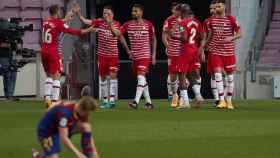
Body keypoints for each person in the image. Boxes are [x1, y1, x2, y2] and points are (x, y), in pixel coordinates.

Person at [74, 4, 130, 109]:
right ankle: (104, 100)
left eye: (108, 13)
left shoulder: (117, 24)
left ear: (112, 15)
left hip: (113, 55)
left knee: (113, 76)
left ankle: (112, 100)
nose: (105, 15)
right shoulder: (99, 22)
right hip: (102, 55)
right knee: (103, 78)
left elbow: (119, 36)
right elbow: (86, 22)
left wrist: (127, 49)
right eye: (104, 13)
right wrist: (78, 14)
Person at [41, 5, 94, 108]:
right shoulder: (59, 24)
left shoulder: (45, 22)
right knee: (56, 75)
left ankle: (47, 97)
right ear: (57, 12)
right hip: (53, 52)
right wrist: (89, 30)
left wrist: (71, 13)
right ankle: (54, 100)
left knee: (48, 76)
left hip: (43, 51)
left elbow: (61, 22)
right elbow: (72, 31)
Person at [32, 96, 100, 158]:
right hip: (46, 132)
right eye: (88, 112)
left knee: (86, 127)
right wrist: (78, 154)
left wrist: (94, 151)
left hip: (60, 127)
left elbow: (89, 134)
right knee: (53, 156)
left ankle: (89, 154)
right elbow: (63, 138)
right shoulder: (64, 114)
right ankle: (39, 156)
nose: (88, 115)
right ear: (82, 109)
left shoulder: (80, 110)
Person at [120, 4, 157, 110]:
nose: (133, 13)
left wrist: (153, 55)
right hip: (134, 56)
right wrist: (110, 25)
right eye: (133, 11)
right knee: (142, 80)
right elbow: (118, 34)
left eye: (136, 11)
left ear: (141, 12)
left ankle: (135, 101)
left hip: (145, 55)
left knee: (140, 77)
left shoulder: (148, 24)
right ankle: (149, 103)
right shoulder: (128, 24)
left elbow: (154, 39)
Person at [206, 0, 242, 109]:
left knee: (230, 78)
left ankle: (229, 100)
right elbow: (210, 35)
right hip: (216, 51)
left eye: (219, 6)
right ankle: (221, 100)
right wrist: (206, 46)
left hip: (229, 52)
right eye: (215, 7)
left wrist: (231, 37)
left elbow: (240, 33)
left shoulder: (231, 19)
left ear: (224, 7)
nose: (217, 8)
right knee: (217, 74)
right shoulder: (212, 21)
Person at [170, 4, 195, 109]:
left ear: (181, 12)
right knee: (193, 75)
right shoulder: (195, 22)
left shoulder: (181, 23)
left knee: (181, 76)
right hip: (194, 50)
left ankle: (185, 102)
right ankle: (196, 95)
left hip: (185, 52)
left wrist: (174, 36)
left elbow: (184, 38)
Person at [162, 2, 182, 108]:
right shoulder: (169, 20)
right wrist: (168, 46)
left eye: (178, 10)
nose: (176, 12)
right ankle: (174, 95)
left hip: (183, 52)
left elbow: (186, 36)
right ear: (172, 10)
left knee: (183, 75)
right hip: (173, 52)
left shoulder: (184, 20)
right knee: (173, 76)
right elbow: (164, 36)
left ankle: (183, 97)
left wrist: (181, 25)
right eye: (174, 9)